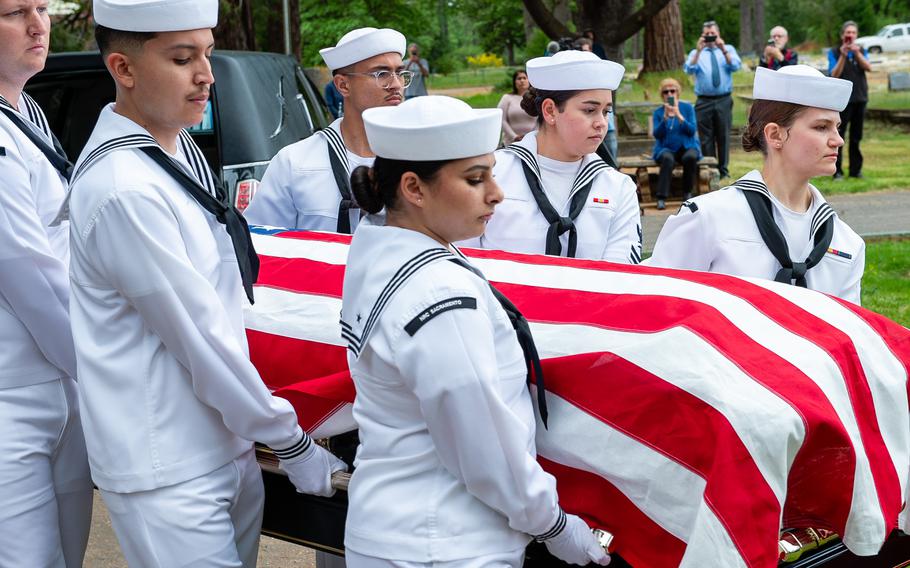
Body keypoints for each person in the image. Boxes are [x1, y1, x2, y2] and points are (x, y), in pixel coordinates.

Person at [59, 1, 346, 565]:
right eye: (182, 57)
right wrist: (290, 439)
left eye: (208, 55)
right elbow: (200, 336)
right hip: (167, 461)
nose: (206, 75)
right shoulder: (125, 187)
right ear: (124, 68)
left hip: (221, 439)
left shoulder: (175, 146)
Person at [341, 94, 611, 568]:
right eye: (475, 178)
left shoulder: (378, 251)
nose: (497, 193)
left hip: (393, 527)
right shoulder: (440, 294)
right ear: (414, 188)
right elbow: (483, 443)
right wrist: (554, 524)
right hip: (445, 541)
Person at [0, 1, 93, 565]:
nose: (38, 25)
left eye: (42, 8)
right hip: (13, 394)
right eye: (14, 12)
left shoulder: (26, 108)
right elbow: (28, 270)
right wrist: (111, 373)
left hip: (65, 381)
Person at [650, 65, 865, 304]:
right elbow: (661, 309)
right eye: (821, 127)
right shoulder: (708, 219)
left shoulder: (846, 244)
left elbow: (848, 332)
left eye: (836, 127)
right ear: (775, 135)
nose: (838, 140)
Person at [465, 50, 642, 264]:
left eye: (606, 112)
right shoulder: (492, 173)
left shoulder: (618, 187)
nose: (601, 123)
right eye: (589, 110)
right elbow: (464, 260)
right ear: (550, 111)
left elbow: (620, 275)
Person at [244, 27, 408, 232]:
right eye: (381, 73)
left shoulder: (419, 160)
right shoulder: (295, 163)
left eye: (400, 73)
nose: (396, 84)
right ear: (343, 85)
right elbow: (262, 241)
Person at [684, 20, 741, 179]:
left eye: (712, 34)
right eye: (706, 34)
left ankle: (723, 170)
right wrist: (698, 51)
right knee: (705, 137)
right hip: (704, 101)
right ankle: (710, 168)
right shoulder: (696, 53)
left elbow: (736, 66)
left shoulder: (728, 49)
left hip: (723, 99)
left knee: (723, 134)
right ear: (702, 36)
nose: (710, 37)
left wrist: (723, 49)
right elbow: (689, 69)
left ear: (718, 34)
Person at [828, 20, 871, 180]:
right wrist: (844, 55)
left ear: (856, 35)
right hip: (842, 100)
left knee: (856, 137)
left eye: (853, 33)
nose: (850, 35)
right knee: (838, 136)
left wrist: (857, 53)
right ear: (842, 35)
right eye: (848, 33)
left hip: (860, 97)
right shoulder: (834, 52)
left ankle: (855, 170)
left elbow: (868, 67)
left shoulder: (862, 50)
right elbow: (834, 74)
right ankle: (837, 171)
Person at [651, 77, 701, 210]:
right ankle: (661, 197)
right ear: (662, 95)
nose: (669, 94)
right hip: (666, 147)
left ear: (677, 92)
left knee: (690, 157)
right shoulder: (658, 112)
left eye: (672, 91)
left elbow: (691, 131)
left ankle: (687, 193)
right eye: (666, 92)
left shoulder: (687, 107)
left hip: (687, 145)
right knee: (667, 158)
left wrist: (679, 115)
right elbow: (657, 135)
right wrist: (665, 118)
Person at [498, 69, 536, 145]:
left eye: (524, 78)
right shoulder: (507, 98)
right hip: (511, 142)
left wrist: (531, 136)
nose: (522, 81)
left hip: (533, 141)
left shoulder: (536, 98)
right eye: (519, 78)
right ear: (514, 82)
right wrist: (514, 137)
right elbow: (502, 119)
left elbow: (540, 120)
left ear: (529, 81)